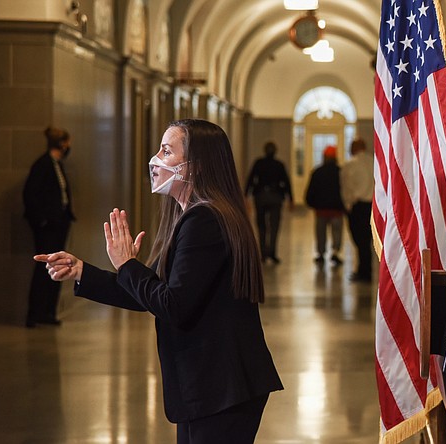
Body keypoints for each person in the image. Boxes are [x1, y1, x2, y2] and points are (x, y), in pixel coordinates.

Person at [35, 119, 283, 443]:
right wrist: (83, 270)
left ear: (195, 167)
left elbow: (172, 305)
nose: (155, 160)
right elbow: (149, 293)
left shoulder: (204, 219)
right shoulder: (194, 215)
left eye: (166, 152)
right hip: (217, 383)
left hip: (221, 384)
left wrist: (127, 264)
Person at [23, 126, 75, 328]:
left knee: (57, 266)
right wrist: (42, 220)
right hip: (47, 226)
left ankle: (48, 312)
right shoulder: (43, 165)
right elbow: (30, 195)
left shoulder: (57, 164)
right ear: (62, 143)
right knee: (43, 267)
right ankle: (35, 313)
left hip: (60, 222)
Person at [245, 141, 293, 264]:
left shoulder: (259, 163)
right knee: (274, 226)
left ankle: (263, 253)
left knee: (261, 226)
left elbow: (251, 179)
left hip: (260, 196)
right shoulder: (279, 165)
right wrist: (291, 199)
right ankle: (272, 252)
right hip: (276, 196)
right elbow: (286, 182)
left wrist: (246, 195)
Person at [340, 138, 374, 282]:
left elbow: (346, 188)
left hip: (358, 207)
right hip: (373, 206)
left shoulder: (350, 164)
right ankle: (364, 269)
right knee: (367, 240)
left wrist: (348, 205)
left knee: (360, 240)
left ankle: (364, 272)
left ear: (354, 148)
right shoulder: (374, 162)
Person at [305, 145, 344, 265]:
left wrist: (312, 203)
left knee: (320, 232)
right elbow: (345, 190)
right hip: (337, 209)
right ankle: (335, 253)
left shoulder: (317, 172)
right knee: (337, 232)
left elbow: (311, 191)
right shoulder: (340, 172)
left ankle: (321, 254)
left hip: (321, 209)